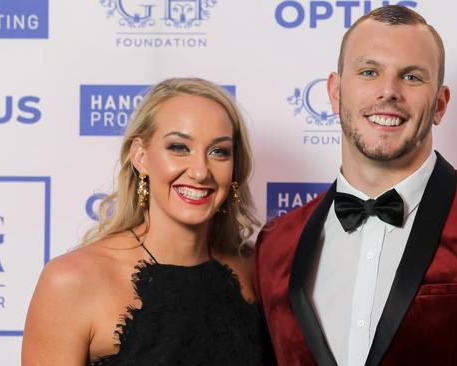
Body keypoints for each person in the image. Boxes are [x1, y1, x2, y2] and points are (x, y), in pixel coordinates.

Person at [255, 5, 457, 366]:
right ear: (335, 92)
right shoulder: (277, 242)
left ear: (440, 104)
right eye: (369, 71)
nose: (388, 91)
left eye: (411, 77)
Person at [22, 78, 274, 365]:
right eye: (179, 147)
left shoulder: (257, 271)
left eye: (219, 152)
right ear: (140, 156)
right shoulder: (72, 281)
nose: (201, 171)